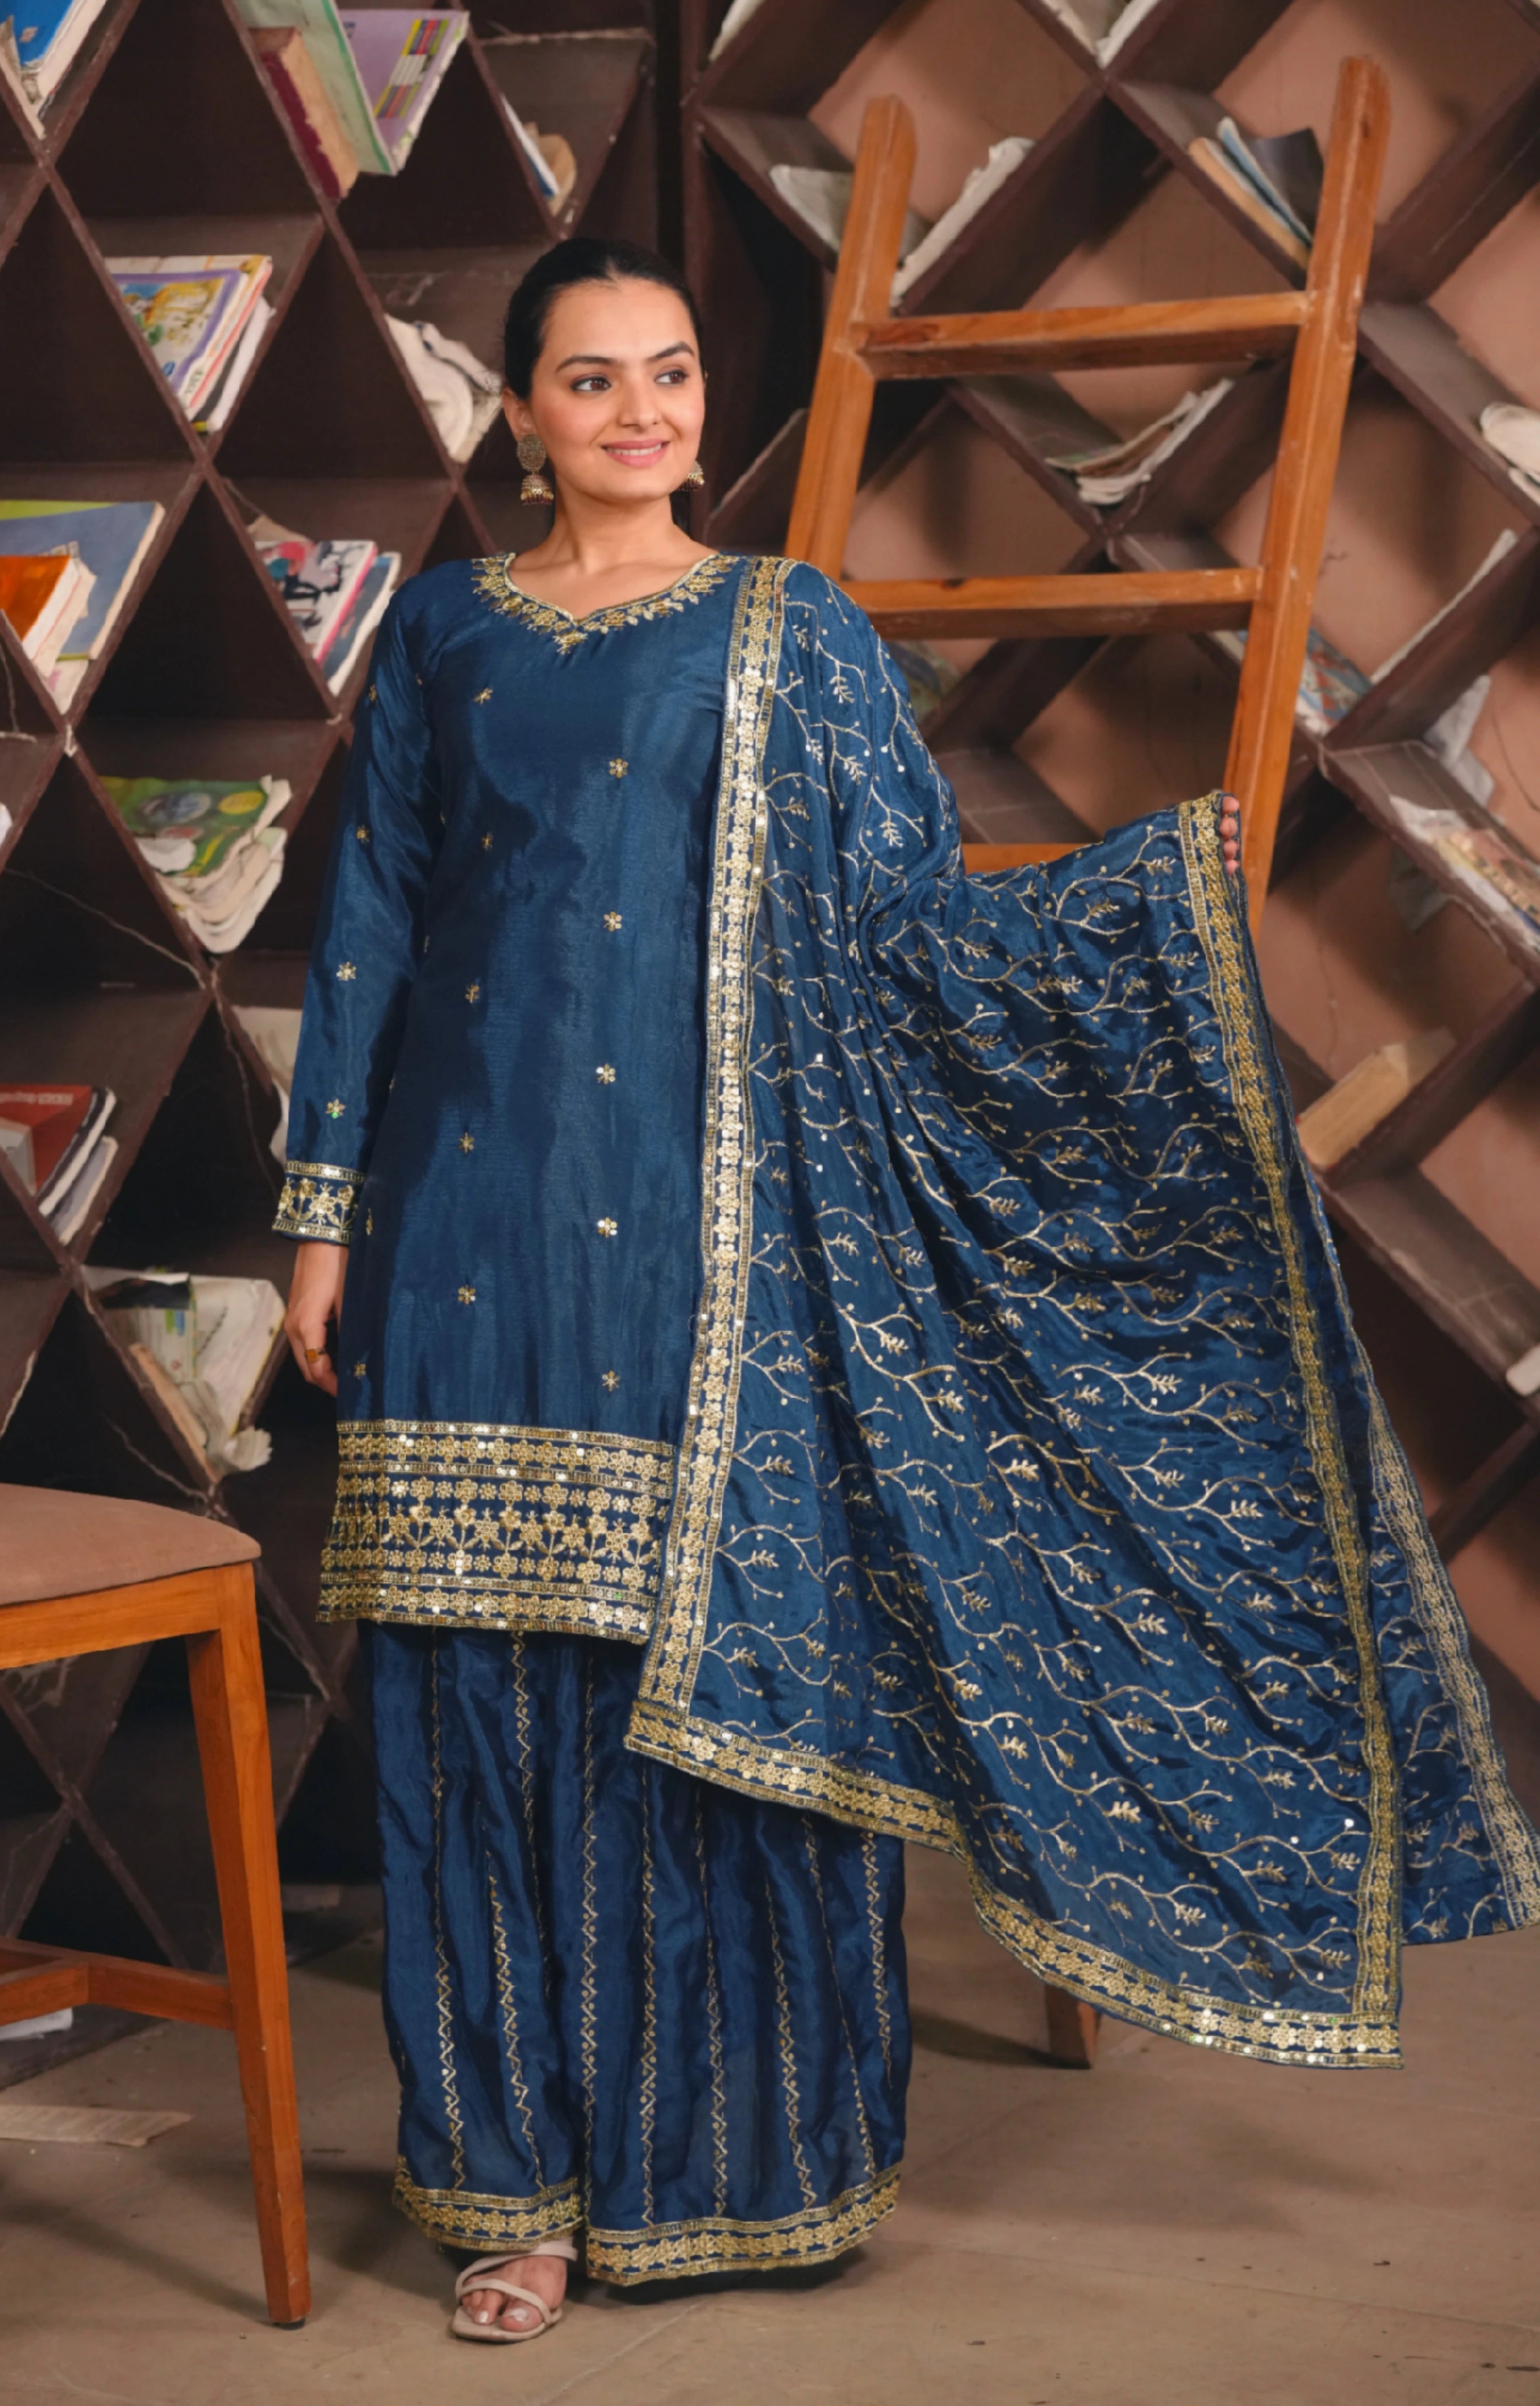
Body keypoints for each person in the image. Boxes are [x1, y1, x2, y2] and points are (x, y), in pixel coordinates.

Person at [276, 238, 1540, 2344]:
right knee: (473, 1708)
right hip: (464, 1228)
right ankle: (515, 2189)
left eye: (669, 374)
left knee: (710, 1715)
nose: (641, 414)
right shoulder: (438, 640)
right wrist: (324, 1216)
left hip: (720, 1242)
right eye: (589, 383)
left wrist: (1131, 920)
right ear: (519, 418)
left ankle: (732, 2170)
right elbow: (371, 929)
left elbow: (903, 946)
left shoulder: (794, 635)